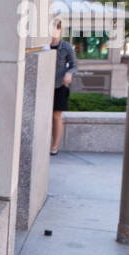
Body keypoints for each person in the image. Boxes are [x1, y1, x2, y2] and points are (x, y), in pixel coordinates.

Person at [50, 18, 77, 155]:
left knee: (56, 116)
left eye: (55, 28)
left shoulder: (66, 47)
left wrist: (69, 73)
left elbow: (74, 65)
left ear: (60, 30)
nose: (52, 31)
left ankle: (54, 146)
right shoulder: (43, 46)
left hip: (59, 85)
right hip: (45, 86)